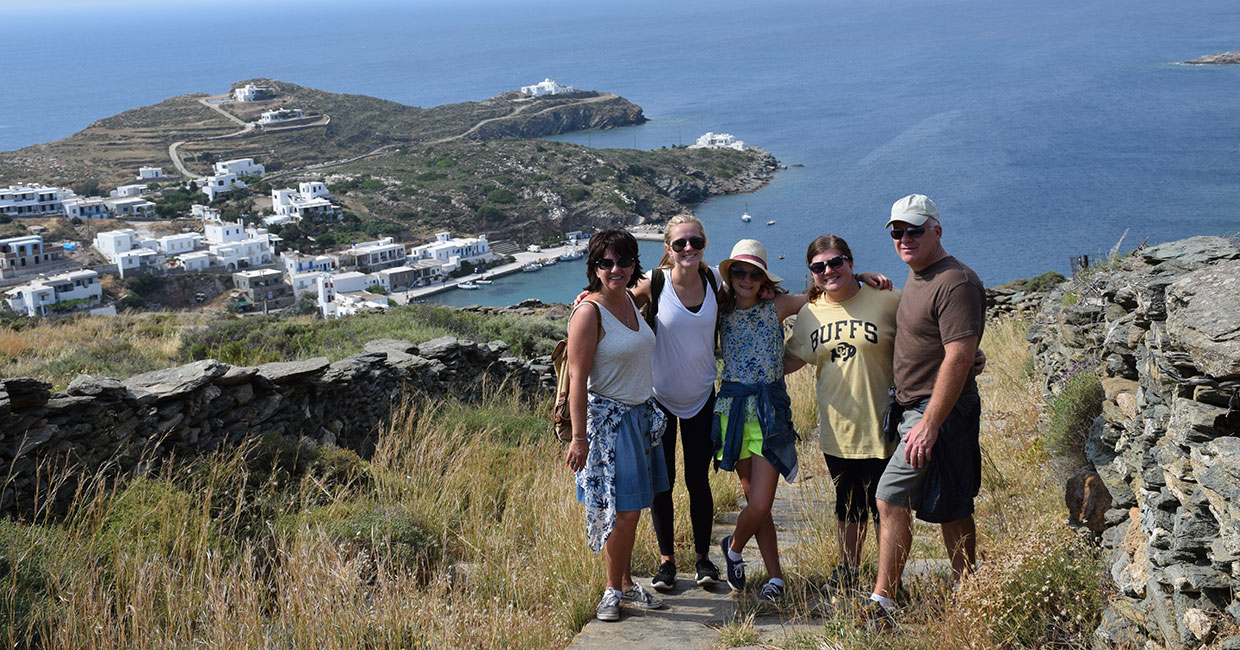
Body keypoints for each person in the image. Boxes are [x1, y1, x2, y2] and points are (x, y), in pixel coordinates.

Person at [863, 194, 986, 630]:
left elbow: (957, 356)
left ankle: (883, 602)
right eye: (897, 231)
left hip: (936, 411)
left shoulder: (956, 282)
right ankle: (969, 591)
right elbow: (949, 344)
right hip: (916, 407)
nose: (904, 238)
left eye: (915, 230)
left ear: (937, 230)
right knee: (952, 503)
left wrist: (930, 423)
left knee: (889, 496)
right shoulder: (920, 276)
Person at [784, 234, 901, 594]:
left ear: (850, 262)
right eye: (818, 267)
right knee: (848, 505)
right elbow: (794, 358)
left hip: (883, 425)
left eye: (836, 262)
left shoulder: (886, 301)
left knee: (887, 508)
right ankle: (849, 570)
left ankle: (888, 583)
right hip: (838, 428)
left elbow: (923, 334)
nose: (828, 271)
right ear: (812, 274)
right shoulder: (810, 313)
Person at [564, 229, 669, 622]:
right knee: (622, 511)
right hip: (608, 424)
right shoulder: (589, 312)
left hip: (640, 417)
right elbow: (578, 379)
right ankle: (611, 591)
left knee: (632, 509)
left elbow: (676, 271)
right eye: (605, 263)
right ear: (594, 267)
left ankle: (625, 583)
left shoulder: (628, 297)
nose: (615, 269)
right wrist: (578, 439)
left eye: (623, 261)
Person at [635, 215, 723, 591]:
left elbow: (765, 289)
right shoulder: (654, 283)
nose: (689, 248)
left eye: (696, 242)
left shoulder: (717, 280)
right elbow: (613, 293)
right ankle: (666, 562)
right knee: (663, 483)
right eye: (680, 243)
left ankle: (703, 560)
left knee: (698, 481)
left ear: (704, 244)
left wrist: (855, 282)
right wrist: (586, 298)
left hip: (702, 397)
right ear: (668, 249)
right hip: (660, 400)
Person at [713, 239, 803, 602]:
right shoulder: (719, 310)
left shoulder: (777, 307)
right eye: (740, 272)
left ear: (764, 278)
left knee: (762, 502)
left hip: (768, 414)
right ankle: (776, 578)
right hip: (733, 413)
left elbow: (824, 294)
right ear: (730, 274)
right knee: (755, 503)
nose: (746, 279)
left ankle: (732, 548)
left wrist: (862, 278)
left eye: (754, 273)